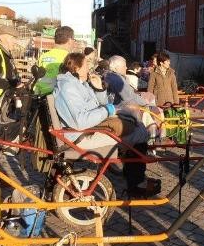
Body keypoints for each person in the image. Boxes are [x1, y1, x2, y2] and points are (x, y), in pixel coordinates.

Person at [53, 53, 154, 194]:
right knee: (139, 133)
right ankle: (137, 183)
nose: (89, 68)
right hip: (79, 136)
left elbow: (101, 104)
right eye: (86, 65)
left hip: (87, 129)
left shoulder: (78, 84)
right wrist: (110, 109)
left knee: (136, 128)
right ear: (76, 68)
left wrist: (99, 88)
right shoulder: (69, 87)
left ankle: (135, 179)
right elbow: (80, 121)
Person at [105, 55, 162, 142]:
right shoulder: (116, 78)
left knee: (148, 111)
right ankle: (151, 138)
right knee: (147, 113)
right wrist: (145, 102)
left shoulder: (112, 76)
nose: (126, 67)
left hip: (117, 107)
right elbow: (129, 97)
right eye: (124, 66)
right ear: (116, 68)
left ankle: (152, 137)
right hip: (120, 108)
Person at [34, 26, 75, 95]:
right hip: (55, 96)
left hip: (38, 93)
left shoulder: (43, 56)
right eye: (74, 39)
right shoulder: (69, 58)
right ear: (70, 40)